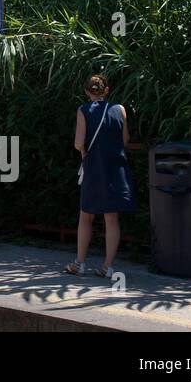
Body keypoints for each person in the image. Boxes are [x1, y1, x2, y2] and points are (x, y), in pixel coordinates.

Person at [66, 74, 136, 278]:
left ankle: (79, 263)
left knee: (86, 215)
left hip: (94, 167)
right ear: (106, 90)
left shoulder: (83, 111)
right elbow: (124, 140)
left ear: (87, 91)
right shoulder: (119, 110)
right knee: (112, 218)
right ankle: (107, 266)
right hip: (116, 169)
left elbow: (79, 144)